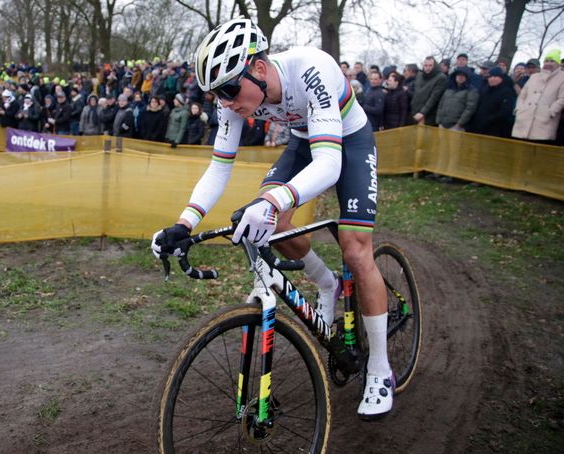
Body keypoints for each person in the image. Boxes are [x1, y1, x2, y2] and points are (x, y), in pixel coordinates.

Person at [151, 18, 394, 421]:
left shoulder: (310, 69)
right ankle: (326, 284)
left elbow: (330, 163)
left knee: (354, 249)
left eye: (229, 90)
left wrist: (276, 199)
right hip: (302, 141)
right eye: (217, 95)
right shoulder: (234, 99)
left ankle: (381, 368)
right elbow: (219, 167)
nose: (226, 102)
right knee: (272, 218)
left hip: (349, 142)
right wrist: (184, 223)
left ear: (258, 69)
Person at [512, 50, 564, 144]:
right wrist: (519, 109)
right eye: (546, 61)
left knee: (538, 152)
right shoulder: (534, 77)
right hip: (524, 118)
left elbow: (563, 98)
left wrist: (551, 112)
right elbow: (522, 96)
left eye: (552, 61)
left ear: (558, 64)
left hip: (544, 122)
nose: (549, 63)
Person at [469, 67, 515, 138]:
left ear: (501, 78)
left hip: (494, 130)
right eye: (490, 77)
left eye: (495, 76)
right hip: (478, 127)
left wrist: (489, 120)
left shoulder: (507, 92)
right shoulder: (484, 90)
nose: (492, 78)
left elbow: (505, 112)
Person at [435, 67, 479, 131]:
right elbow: (441, 104)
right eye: (458, 75)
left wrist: (459, 123)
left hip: (456, 126)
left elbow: (470, 109)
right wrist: (438, 120)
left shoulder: (471, 91)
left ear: (467, 77)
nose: (460, 77)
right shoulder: (449, 89)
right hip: (442, 124)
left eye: (463, 75)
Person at [410, 56, 447, 125]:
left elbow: (434, 98)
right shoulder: (419, 75)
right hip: (415, 113)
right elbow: (415, 93)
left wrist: (422, 112)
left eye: (430, 65)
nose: (428, 67)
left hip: (429, 115)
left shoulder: (441, 78)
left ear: (435, 66)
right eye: (426, 65)